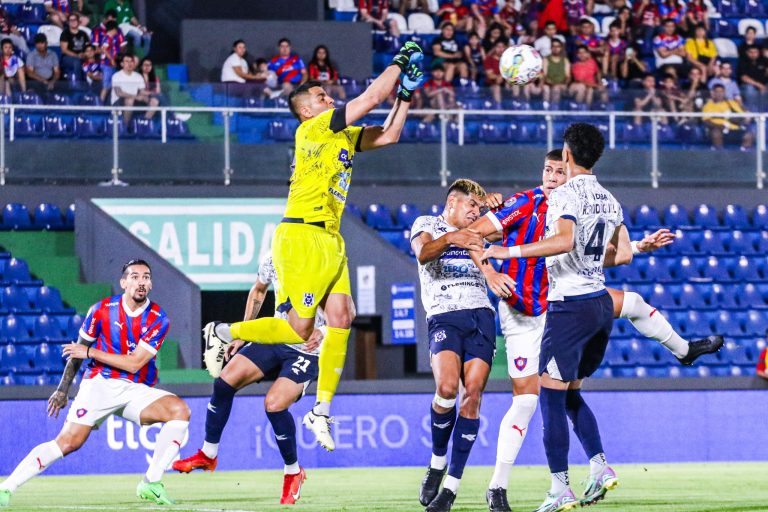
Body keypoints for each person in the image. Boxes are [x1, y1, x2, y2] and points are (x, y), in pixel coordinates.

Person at [200, 42, 426, 452]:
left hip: (330, 237)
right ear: (306, 110)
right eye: (321, 96)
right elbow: (373, 97)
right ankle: (221, 331)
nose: (330, 98)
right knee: (300, 328)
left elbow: (390, 134)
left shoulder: (339, 136)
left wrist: (406, 95)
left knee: (342, 315)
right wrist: (399, 62)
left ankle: (321, 409)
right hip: (301, 234)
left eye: (328, 94)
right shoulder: (313, 129)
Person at [472, 149, 723, 511]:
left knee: (570, 388)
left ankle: (595, 466)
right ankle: (498, 486)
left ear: (571, 172)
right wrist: (491, 271)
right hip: (524, 313)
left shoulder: (576, 206)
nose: (553, 177)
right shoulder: (525, 203)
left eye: (560, 171)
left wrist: (636, 245)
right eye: (548, 170)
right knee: (530, 400)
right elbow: (473, 237)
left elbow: (596, 253)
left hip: (564, 306)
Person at [482, 123, 626, 512]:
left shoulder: (565, 195)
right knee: (571, 393)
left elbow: (563, 241)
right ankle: (599, 465)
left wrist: (506, 255)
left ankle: (559, 486)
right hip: (599, 304)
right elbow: (624, 253)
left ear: (566, 155)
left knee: (548, 397)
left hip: (569, 306)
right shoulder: (610, 199)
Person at [0, 260, 188, 507]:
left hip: (134, 388)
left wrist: (91, 353)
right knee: (68, 443)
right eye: (135, 276)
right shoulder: (100, 310)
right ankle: (6, 488)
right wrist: (62, 389)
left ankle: (151, 482)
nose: (141, 282)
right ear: (123, 283)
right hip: (100, 384)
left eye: (146, 277)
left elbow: (133, 364)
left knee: (180, 411)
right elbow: (78, 352)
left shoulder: (158, 318)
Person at [174, 251, 331, 505]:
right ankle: (208, 453)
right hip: (276, 336)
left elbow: (347, 312)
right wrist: (244, 332)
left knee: (274, 404)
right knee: (224, 381)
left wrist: (323, 331)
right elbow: (258, 291)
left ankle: (293, 471)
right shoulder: (274, 258)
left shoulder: (321, 261)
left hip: (307, 349)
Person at [411, 179, 490, 512]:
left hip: (481, 314)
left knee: (471, 396)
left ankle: (451, 490)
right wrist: (453, 237)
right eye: (471, 206)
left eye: (479, 208)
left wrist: (496, 212)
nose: (476, 212)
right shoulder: (426, 224)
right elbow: (424, 254)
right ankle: (437, 461)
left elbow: (503, 231)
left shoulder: (480, 229)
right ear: (452, 203)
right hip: (444, 314)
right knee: (446, 389)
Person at [702, 84, 754, 150]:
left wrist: (745, 119)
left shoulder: (731, 103)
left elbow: (742, 115)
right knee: (715, 133)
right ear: (713, 93)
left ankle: (744, 152)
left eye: (721, 92)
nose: (719, 94)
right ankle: (719, 154)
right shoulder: (708, 106)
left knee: (749, 134)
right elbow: (706, 121)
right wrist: (719, 126)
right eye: (717, 92)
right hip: (719, 129)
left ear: (724, 93)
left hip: (734, 128)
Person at [112, 53, 159, 123]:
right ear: (122, 64)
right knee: (129, 100)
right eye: (127, 61)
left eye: (131, 61)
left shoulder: (138, 76)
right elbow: (119, 93)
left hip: (135, 99)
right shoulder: (117, 76)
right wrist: (135, 96)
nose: (130, 63)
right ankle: (125, 126)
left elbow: (141, 91)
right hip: (118, 101)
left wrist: (150, 93)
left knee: (154, 101)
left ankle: (144, 122)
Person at [96, 19, 126, 102]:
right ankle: (100, 105)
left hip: (109, 64)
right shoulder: (107, 38)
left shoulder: (109, 38)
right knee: (106, 86)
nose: (117, 32)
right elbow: (104, 50)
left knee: (111, 84)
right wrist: (112, 59)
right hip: (107, 64)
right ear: (113, 29)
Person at [59, 13, 89, 82]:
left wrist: (84, 54)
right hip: (68, 58)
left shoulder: (83, 33)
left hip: (82, 55)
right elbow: (64, 50)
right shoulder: (65, 33)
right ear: (68, 22)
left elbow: (88, 47)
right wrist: (77, 55)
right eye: (71, 20)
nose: (73, 22)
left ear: (78, 21)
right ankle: (79, 85)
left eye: (75, 20)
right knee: (77, 62)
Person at [543, 39, 571, 107]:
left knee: (556, 88)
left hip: (561, 84)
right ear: (551, 48)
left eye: (558, 46)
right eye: (554, 46)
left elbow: (568, 76)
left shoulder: (565, 60)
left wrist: (564, 84)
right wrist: (550, 82)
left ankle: (555, 109)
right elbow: (544, 74)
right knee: (546, 88)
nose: (556, 48)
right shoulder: (546, 59)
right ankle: (546, 110)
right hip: (549, 83)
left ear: (561, 48)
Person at [484, 39, 507, 105]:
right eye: (498, 47)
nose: (500, 49)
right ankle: (498, 109)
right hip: (492, 84)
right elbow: (490, 75)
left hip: (506, 83)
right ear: (494, 48)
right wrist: (499, 77)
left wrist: (503, 77)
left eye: (502, 47)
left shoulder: (508, 59)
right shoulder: (489, 59)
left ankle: (519, 108)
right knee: (497, 87)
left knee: (517, 85)